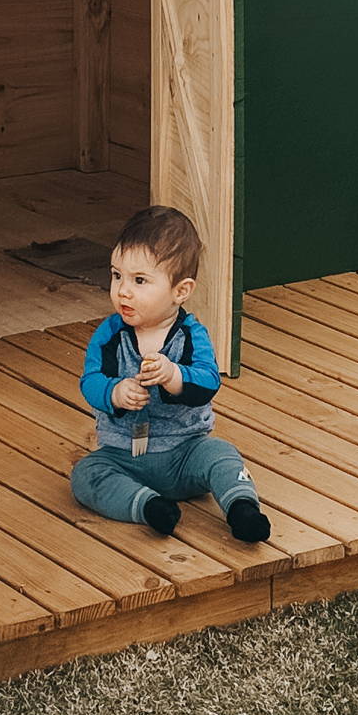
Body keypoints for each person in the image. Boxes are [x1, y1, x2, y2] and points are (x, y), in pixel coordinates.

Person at [71, 205, 271, 543]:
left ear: (181, 291)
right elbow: (90, 381)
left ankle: (242, 507)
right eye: (116, 275)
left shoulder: (190, 335)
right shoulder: (109, 335)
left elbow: (208, 382)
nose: (123, 290)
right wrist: (115, 393)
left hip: (185, 452)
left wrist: (173, 375)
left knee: (221, 454)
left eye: (139, 281)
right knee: (85, 475)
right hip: (123, 456)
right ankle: (148, 506)